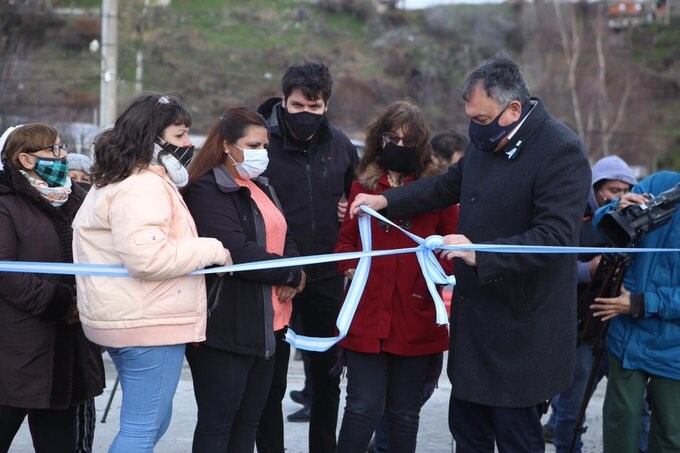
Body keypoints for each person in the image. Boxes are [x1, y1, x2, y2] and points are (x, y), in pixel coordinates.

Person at [350, 55, 591, 452]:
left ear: (513, 109)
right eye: (469, 118)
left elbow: (556, 236)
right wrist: (387, 202)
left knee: (516, 438)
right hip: (475, 326)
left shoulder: (560, 150)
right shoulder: (486, 140)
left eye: (481, 119)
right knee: (468, 434)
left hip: (522, 333)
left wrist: (480, 252)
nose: (472, 129)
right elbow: (445, 187)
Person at [72, 93, 232, 452]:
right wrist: (212, 250)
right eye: (179, 135)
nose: (189, 143)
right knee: (142, 430)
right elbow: (147, 259)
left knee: (150, 424)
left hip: (133, 317)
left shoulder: (121, 179)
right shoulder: (142, 185)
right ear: (151, 137)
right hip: (146, 323)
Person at [181, 107, 306, 452]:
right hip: (228, 326)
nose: (262, 153)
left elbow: (286, 235)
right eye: (253, 145)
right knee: (218, 423)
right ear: (226, 146)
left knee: (249, 423)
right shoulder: (207, 190)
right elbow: (236, 249)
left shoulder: (260, 185)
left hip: (270, 325)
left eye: (265, 145)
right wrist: (291, 272)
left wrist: (295, 269)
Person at [335, 100, 456, 453]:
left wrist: (431, 272)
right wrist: (350, 265)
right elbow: (345, 241)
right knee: (361, 408)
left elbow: (452, 248)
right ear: (379, 138)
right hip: (367, 314)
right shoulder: (363, 186)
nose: (399, 146)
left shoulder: (439, 189)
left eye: (408, 140)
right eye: (392, 138)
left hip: (415, 316)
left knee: (403, 414)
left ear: (421, 144)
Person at [256, 61, 359, 453]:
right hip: (275, 276)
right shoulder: (260, 142)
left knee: (327, 377)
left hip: (326, 274)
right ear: (284, 100)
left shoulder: (341, 145)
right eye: (297, 106)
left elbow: (357, 197)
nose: (305, 115)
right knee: (271, 379)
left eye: (314, 109)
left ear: (326, 105)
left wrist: (349, 204)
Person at [0, 124, 105, 453]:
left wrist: (87, 299)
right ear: (26, 160)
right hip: (17, 348)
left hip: (68, 352)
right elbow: (7, 273)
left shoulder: (77, 196)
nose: (62, 157)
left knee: (60, 443)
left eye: (62, 149)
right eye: (53, 151)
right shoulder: (6, 203)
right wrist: (62, 304)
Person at [545, 155, 638, 452]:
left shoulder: (636, 224)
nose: (620, 197)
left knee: (637, 406)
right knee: (571, 407)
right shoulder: (577, 220)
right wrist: (589, 269)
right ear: (596, 187)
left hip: (620, 326)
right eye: (613, 190)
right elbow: (550, 267)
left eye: (625, 190)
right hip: (582, 326)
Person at [591, 171, 680, 453]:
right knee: (620, 424)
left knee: (670, 434)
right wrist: (617, 209)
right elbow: (601, 226)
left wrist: (642, 303)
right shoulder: (661, 183)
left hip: (674, 347)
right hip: (628, 335)